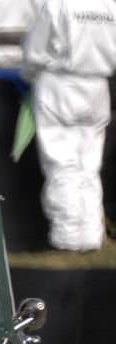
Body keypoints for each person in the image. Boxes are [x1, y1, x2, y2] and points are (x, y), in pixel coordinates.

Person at [20, 0, 116, 251]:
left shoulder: (57, 3)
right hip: (97, 86)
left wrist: (28, 75)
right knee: (89, 165)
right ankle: (91, 237)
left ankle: (67, 239)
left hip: (59, 84)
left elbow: (33, 53)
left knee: (62, 163)